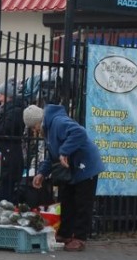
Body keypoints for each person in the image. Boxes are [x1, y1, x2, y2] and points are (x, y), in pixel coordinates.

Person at [24, 104, 105, 252]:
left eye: (33, 127)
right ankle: (65, 234)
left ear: (38, 122)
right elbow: (52, 155)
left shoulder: (58, 122)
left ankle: (80, 238)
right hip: (72, 168)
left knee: (82, 202)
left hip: (86, 166)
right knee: (66, 200)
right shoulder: (48, 129)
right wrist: (42, 173)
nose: (34, 131)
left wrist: (64, 151)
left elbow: (79, 133)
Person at [0, 78, 24, 203]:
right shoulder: (9, 111)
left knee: (6, 193)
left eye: (0, 95)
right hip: (7, 157)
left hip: (9, 159)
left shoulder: (14, 112)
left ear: (8, 96)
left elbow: (3, 130)